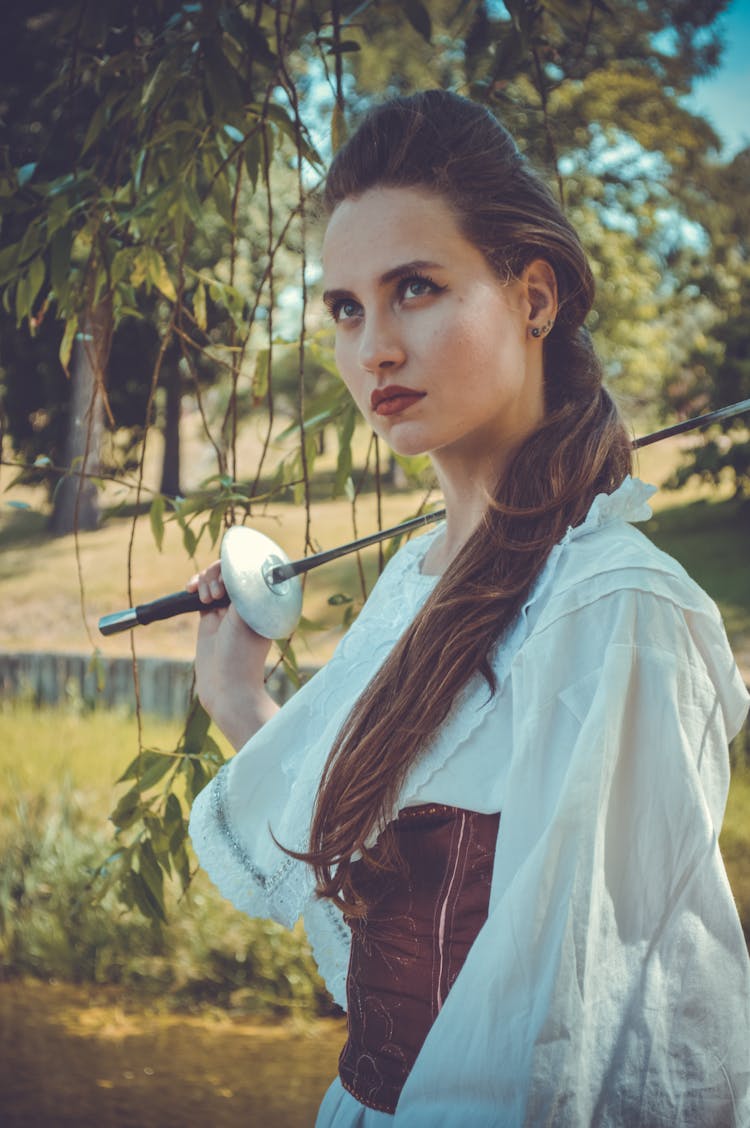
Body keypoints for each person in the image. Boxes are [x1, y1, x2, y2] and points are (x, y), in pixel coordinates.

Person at [187, 90, 750, 1126]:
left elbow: (561, 1033)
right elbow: (380, 943)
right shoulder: (415, 581)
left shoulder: (612, 609)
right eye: (348, 309)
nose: (374, 351)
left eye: (416, 289)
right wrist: (236, 697)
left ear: (534, 296)